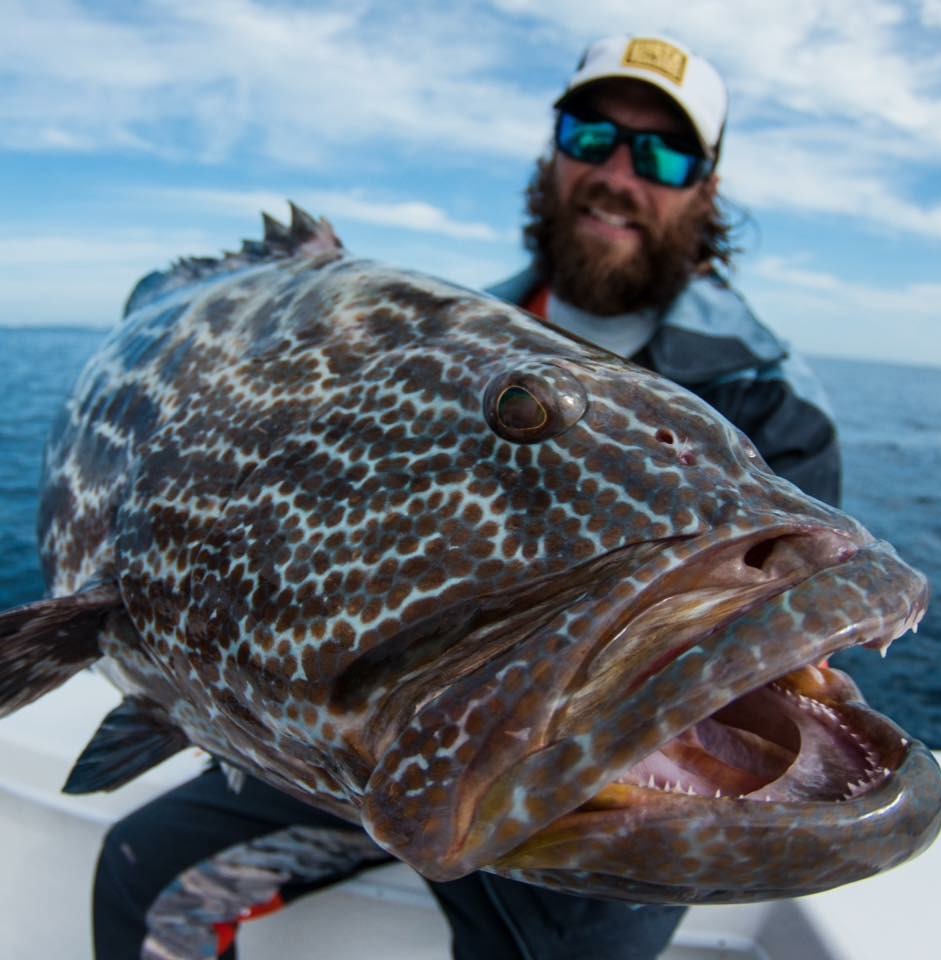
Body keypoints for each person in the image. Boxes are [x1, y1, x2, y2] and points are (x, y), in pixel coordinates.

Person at [93, 33, 840, 960]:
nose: (618, 171)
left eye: (661, 151)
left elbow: (750, 656)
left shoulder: (769, 399)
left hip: (609, 776)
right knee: (137, 869)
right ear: (552, 152)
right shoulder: (420, 333)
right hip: (370, 732)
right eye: (591, 133)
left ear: (705, 187)